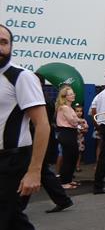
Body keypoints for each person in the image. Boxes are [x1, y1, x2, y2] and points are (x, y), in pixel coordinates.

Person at [0, 24, 58, 230]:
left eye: (4, 42)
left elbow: (42, 125)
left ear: (11, 46)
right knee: (12, 223)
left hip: (12, 161)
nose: (0, 47)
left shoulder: (20, 77)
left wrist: (34, 171)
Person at [34, 73, 74, 214]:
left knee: (42, 170)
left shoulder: (39, 100)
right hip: (40, 138)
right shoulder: (43, 99)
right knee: (43, 171)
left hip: (38, 139)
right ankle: (62, 200)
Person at [55, 86, 87, 189]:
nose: (73, 95)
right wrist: (82, 121)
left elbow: (74, 122)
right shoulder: (64, 107)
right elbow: (72, 121)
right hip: (66, 133)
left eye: (73, 93)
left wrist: (80, 124)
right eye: (70, 94)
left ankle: (68, 180)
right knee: (68, 158)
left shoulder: (69, 108)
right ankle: (64, 182)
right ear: (65, 96)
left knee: (73, 156)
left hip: (70, 133)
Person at [73, 103, 87, 173]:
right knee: (72, 153)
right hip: (73, 139)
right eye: (77, 111)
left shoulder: (83, 120)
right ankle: (72, 166)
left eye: (80, 111)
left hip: (81, 139)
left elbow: (86, 129)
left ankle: (77, 166)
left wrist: (83, 129)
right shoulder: (72, 120)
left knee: (79, 153)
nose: (79, 113)